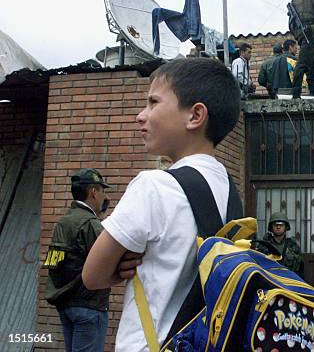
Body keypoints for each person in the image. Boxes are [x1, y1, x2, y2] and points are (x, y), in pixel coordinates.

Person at [82, 58, 241, 352]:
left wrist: (121, 265)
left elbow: (92, 276)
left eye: (153, 103)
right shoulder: (231, 192)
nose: (141, 116)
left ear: (195, 116)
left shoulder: (154, 186)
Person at [44, 168, 111, 352]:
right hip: (89, 307)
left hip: (66, 305)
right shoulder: (90, 224)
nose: (104, 196)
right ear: (93, 192)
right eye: (103, 191)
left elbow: (52, 263)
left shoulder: (64, 222)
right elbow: (110, 258)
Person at [261, 212, 304, 277]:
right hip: (269, 281)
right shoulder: (264, 245)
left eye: (281, 225)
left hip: (289, 281)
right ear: (271, 227)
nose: (278, 227)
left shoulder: (293, 246)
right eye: (275, 225)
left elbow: (301, 269)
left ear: (286, 227)